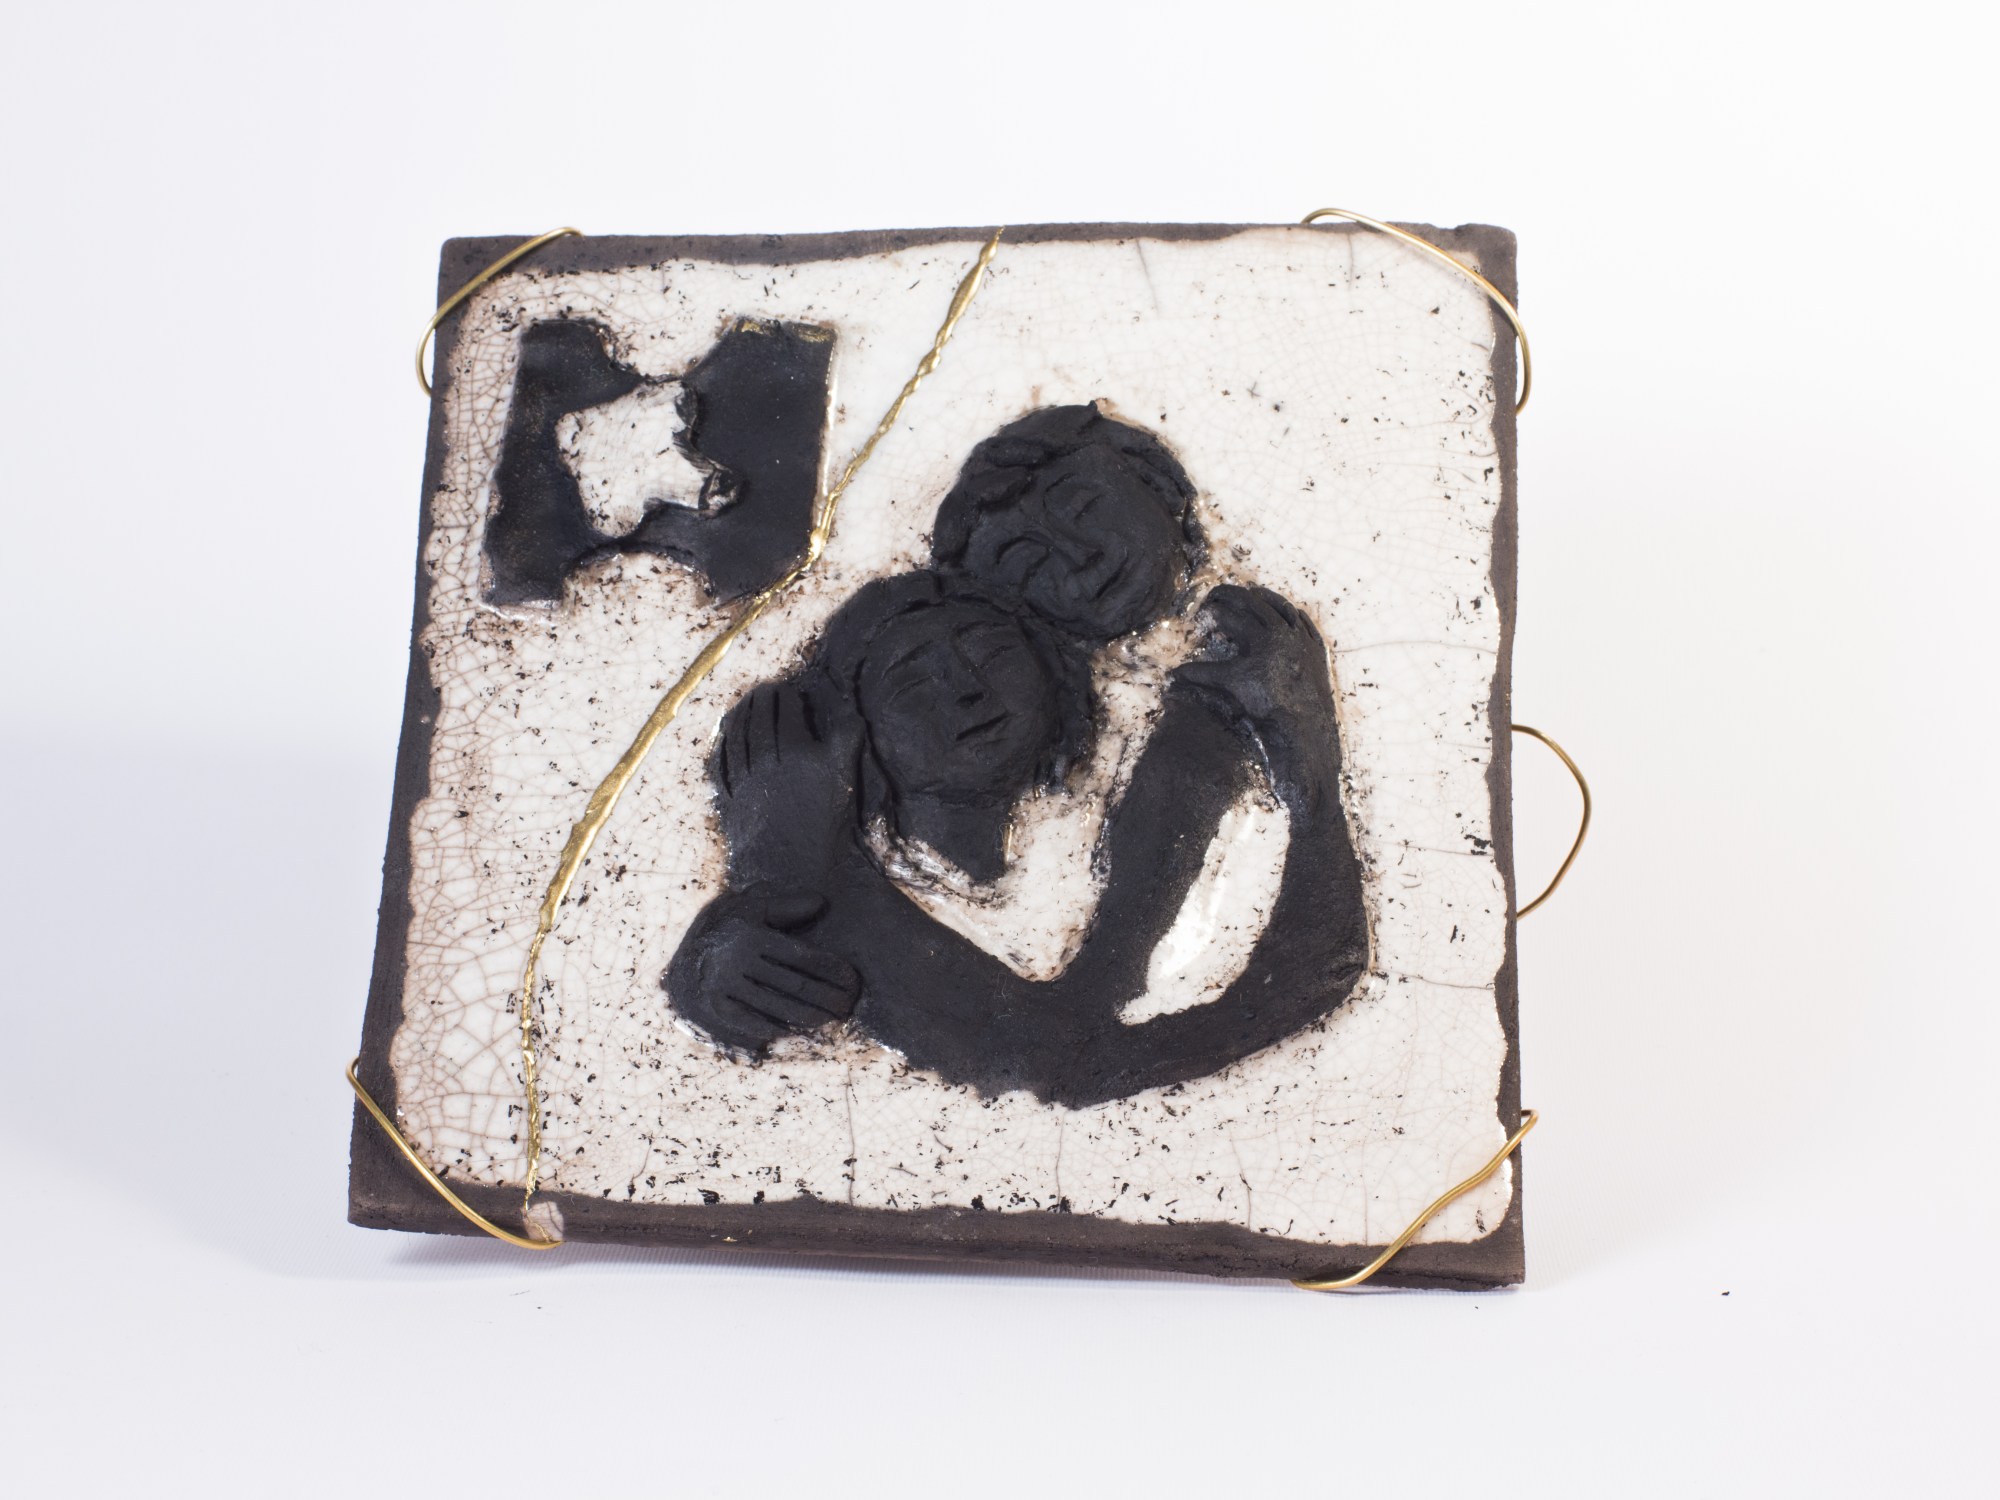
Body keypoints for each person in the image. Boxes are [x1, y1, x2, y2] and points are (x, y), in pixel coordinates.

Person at [664, 406, 1370, 1107]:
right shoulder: (934, 745)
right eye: (1024, 562)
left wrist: (800, 864)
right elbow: (1057, 1046)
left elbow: (1064, 1050)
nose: (1080, 559)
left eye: (1083, 507)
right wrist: (733, 947)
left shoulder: (1211, 701)